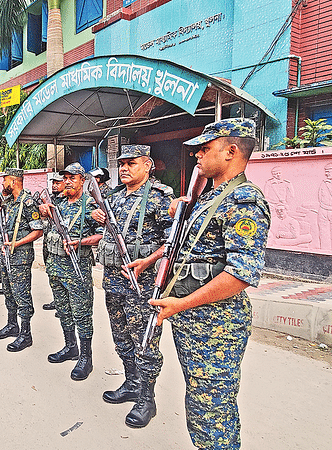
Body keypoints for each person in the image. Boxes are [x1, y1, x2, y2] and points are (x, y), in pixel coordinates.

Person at [150, 118, 270, 450]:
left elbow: (240, 274)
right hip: (195, 322)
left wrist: (181, 304)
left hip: (217, 326)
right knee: (200, 406)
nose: (197, 155)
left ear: (231, 151)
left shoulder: (244, 200)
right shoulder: (209, 196)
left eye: (205, 149)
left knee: (213, 415)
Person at [90, 145, 174, 428]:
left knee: (145, 342)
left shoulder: (160, 198)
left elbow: (172, 243)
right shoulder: (114, 197)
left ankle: (146, 399)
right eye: (121, 163)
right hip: (113, 279)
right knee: (121, 337)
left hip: (142, 284)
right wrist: (97, 217)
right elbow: (105, 226)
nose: (124, 168)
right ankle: (131, 383)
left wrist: (147, 261)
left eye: (131, 163)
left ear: (147, 165)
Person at [39, 162, 103, 381]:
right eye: (65, 178)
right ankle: (70, 346)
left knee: (81, 314)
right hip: (55, 267)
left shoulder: (91, 206)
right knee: (63, 310)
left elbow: (104, 235)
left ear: (82, 181)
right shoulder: (60, 204)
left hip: (77, 269)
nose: (67, 181)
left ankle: (86, 358)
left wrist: (81, 242)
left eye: (72, 178)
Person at [0, 168, 44, 351]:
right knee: (8, 291)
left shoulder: (27, 203)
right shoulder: (8, 202)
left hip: (20, 256)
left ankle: (25, 334)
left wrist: (17, 243)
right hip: (5, 254)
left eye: (5, 180)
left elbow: (38, 231)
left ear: (13, 181)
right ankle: (12, 324)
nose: (2, 184)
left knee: (21, 294)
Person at [41, 173, 66, 311]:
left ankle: (64, 305)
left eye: (58, 183)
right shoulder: (51, 199)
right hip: (49, 242)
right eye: (53, 183)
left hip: (63, 244)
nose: (55, 185)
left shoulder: (65, 200)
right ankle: (57, 300)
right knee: (52, 274)